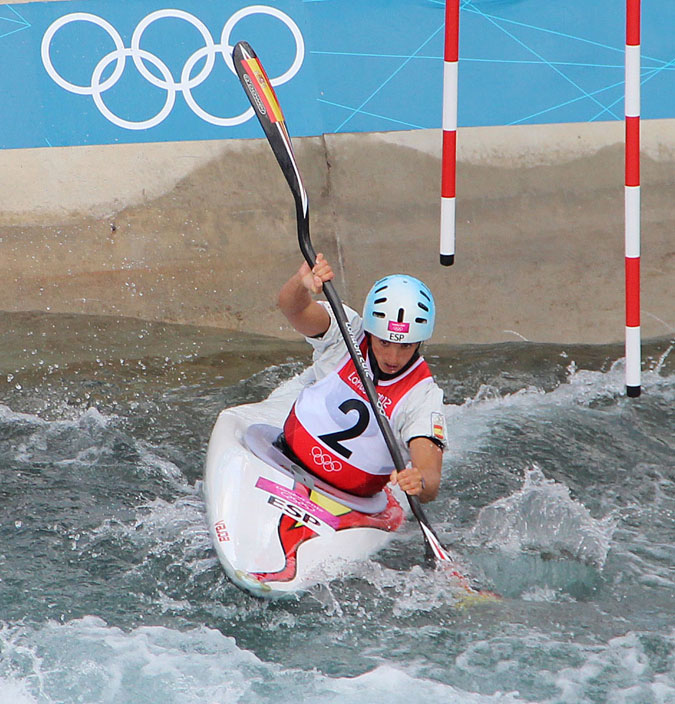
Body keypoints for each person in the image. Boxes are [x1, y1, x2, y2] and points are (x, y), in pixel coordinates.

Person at [275, 253, 447, 504]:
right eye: (384, 342)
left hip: (351, 503)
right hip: (284, 459)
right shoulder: (347, 334)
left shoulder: (422, 395)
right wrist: (302, 285)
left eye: (406, 346)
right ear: (371, 331)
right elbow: (292, 308)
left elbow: (430, 475)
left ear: (420, 342)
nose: (393, 357)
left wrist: (419, 481)